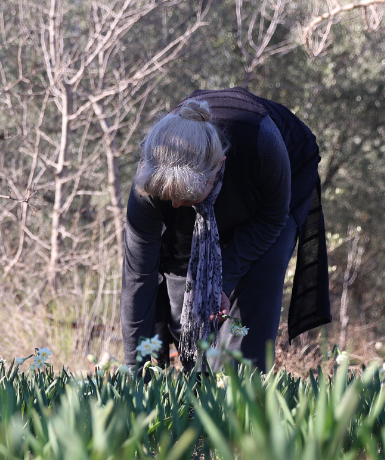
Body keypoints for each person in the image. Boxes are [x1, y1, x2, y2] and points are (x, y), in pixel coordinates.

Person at [121, 87, 331, 372]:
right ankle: (194, 380)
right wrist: (135, 372)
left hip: (277, 182)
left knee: (260, 278)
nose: (175, 202)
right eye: (168, 195)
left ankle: (239, 388)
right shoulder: (151, 177)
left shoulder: (263, 144)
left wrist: (224, 280)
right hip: (204, 179)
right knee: (183, 287)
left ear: (220, 167)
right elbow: (138, 278)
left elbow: (271, 220)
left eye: (185, 195)